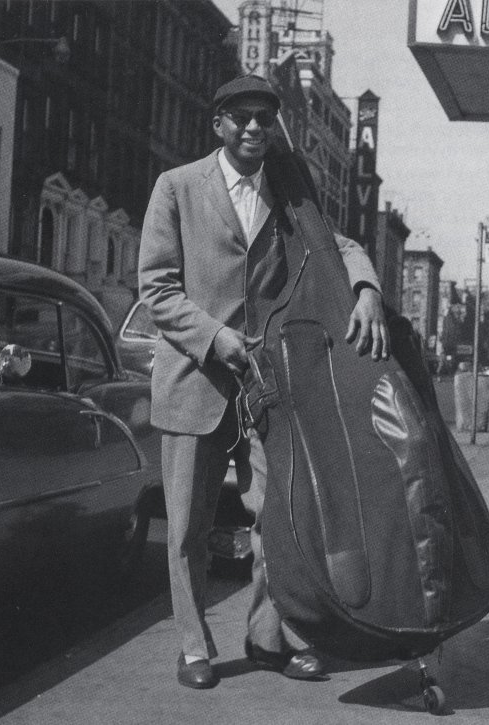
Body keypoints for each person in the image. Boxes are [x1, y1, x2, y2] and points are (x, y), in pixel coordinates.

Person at [138, 75, 389, 690]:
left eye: (264, 118)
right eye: (242, 117)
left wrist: (366, 289)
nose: (254, 127)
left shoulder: (287, 190)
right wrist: (213, 337)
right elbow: (156, 289)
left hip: (268, 384)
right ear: (219, 124)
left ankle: (270, 637)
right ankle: (194, 648)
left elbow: (338, 245)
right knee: (188, 527)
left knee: (277, 517)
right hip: (195, 379)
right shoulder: (177, 187)